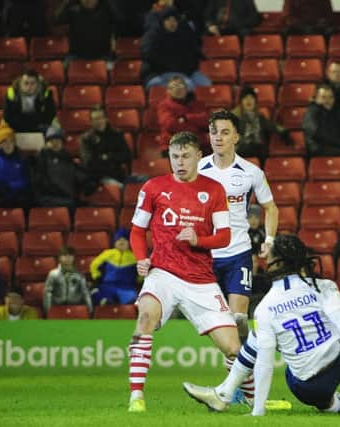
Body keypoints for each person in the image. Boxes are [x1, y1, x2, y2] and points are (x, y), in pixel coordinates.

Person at [182, 234, 340, 416]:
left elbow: (265, 363)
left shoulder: (265, 307)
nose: (264, 257)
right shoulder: (324, 287)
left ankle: (224, 393)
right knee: (329, 349)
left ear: (278, 262)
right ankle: (339, 404)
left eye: (269, 253)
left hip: (303, 386)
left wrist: (258, 412)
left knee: (260, 339)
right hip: (338, 363)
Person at [127, 131, 239, 413]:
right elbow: (138, 231)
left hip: (201, 279)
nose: (179, 162)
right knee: (145, 316)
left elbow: (225, 236)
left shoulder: (214, 190)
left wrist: (198, 240)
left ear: (198, 157)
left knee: (234, 349)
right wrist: (142, 259)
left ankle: (247, 396)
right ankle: (136, 396)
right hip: (163, 272)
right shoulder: (153, 187)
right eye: (175, 156)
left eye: (186, 156)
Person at [197, 110, 278, 402]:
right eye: (214, 131)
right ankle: (242, 385)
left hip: (238, 254)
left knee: (239, 319)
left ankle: (236, 388)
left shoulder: (251, 172)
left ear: (236, 137)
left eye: (224, 132)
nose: (218, 137)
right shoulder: (198, 167)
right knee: (222, 327)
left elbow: (271, 207)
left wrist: (268, 240)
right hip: (204, 256)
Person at [141, 7, 211, 91]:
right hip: (157, 73)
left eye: (174, 20)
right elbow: (149, 55)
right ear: (162, 21)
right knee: (188, 86)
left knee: (206, 83)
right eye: (168, 20)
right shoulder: (152, 36)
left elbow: (193, 54)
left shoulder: (184, 34)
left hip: (184, 72)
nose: (172, 23)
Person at [31, 126, 96, 208]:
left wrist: (89, 183)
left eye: (58, 140)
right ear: (47, 143)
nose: (55, 143)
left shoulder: (67, 159)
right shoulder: (41, 159)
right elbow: (38, 182)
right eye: (51, 141)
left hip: (67, 200)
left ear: (62, 143)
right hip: (48, 199)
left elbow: (79, 176)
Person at [0, 121, 32, 208]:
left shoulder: (21, 159)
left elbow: (25, 181)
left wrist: (8, 187)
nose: (8, 145)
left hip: (16, 198)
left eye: (11, 141)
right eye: (4, 142)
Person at [231, 86, 289, 160]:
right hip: (241, 149)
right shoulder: (235, 116)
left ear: (255, 101)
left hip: (258, 149)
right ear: (241, 101)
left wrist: (283, 131)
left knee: (262, 150)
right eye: (245, 98)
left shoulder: (259, 116)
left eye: (251, 98)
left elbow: (271, 125)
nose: (249, 101)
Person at [80, 106, 132, 187]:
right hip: (100, 177)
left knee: (145, 181)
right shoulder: (86, 139)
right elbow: (89, 162)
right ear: (91, 122)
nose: (98, 121)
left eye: (100, 118)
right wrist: (114, 158)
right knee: (121, 189)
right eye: (95, 119)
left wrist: (107, 157)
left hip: (120, 175)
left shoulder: (117, 134)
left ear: (106, 119)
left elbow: (127, 155)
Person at [156, 76, 209, 155]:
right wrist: (194, 128)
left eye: (180, 85)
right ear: (168, 91)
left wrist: (186, 118)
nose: (177, 88)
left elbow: (206, 120)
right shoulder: (164, 105)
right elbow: (170, 124)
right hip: (173, 145)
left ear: (186, 88)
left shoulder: (198, 104)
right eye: (173, 87)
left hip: (199, 145)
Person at [302, 84, 340, 158]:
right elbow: (318, 132)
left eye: (331, 97)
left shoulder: (335, 111)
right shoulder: (311, 112)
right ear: (316, 99)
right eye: (323, 97)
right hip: (319, 148)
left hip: (334, 146)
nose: (328, 100)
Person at [54, 0, 119, 61]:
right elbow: (57, 19)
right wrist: (67, 2)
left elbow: (119, 19)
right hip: (76, 56)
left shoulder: (106, 7)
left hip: (104, 56)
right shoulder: (72, 8)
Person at [90, 228, 139, 305]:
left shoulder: (135, 257)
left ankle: (124, 305)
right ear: (115, 242)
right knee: (95, 292)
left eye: (124, 240)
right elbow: (94, 265)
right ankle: (107, 302)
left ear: (129, 242)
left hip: (127, 287)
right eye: (119, 239)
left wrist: (139, 280)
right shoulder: (107, 254)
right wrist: (96, 276)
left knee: (132, 297)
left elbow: (141, 272)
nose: (121, 242)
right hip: (108, 285)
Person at [44, 246, 93, 317]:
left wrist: (89, 309)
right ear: (59, 258)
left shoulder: (79, 275)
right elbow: (47, 293)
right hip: (57, 308)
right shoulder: (53, 274)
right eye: (65, 255)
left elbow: (85, 292)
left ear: (74, 258)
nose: (68, 258)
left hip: (75, 308)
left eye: (70, 256)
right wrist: (48, 311)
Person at [3, 68, 57, 133]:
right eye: (26, 83)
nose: (29, 87)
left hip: (40, 126)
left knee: (55, 130)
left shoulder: (45, 92)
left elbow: (50, 115)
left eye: (32, 83)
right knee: (4, 132)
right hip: (16, 127)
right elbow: (8, 117)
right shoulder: (12, 93)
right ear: (20, 83)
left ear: (38, 84)